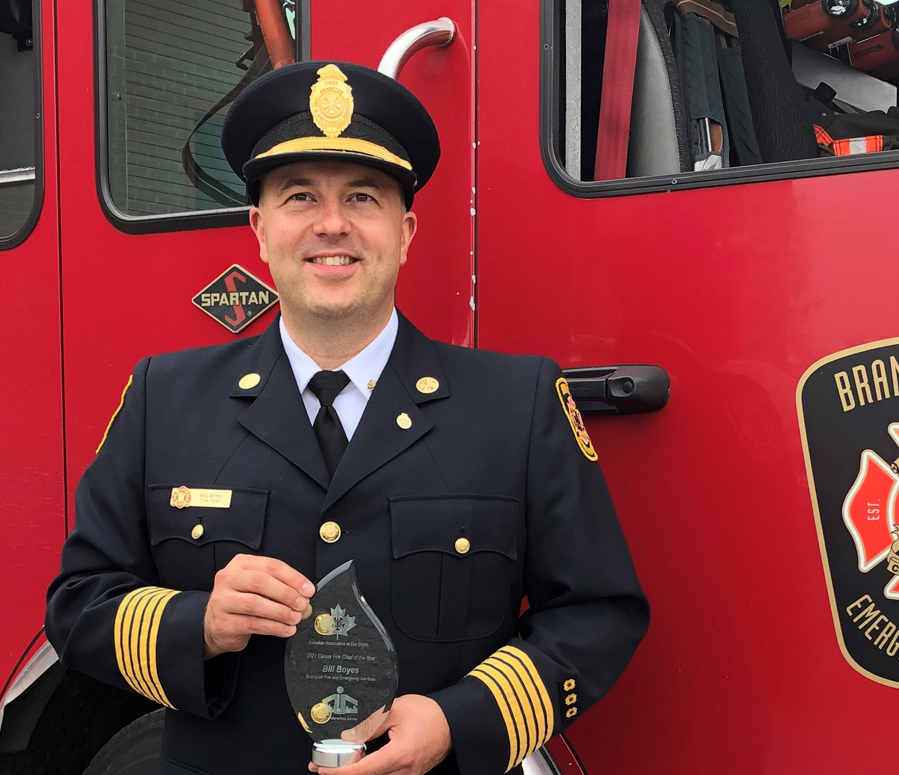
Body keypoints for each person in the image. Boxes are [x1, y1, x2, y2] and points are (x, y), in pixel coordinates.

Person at [45, 60, 649, 775]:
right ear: (260, 229)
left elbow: (598, 612)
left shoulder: (516, 405)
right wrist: (198, 623)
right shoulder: (162, 398)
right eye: (300, 196)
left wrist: (459, 720)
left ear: (406, 229)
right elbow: (79, 604)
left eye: (362, 197)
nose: (332, 224)